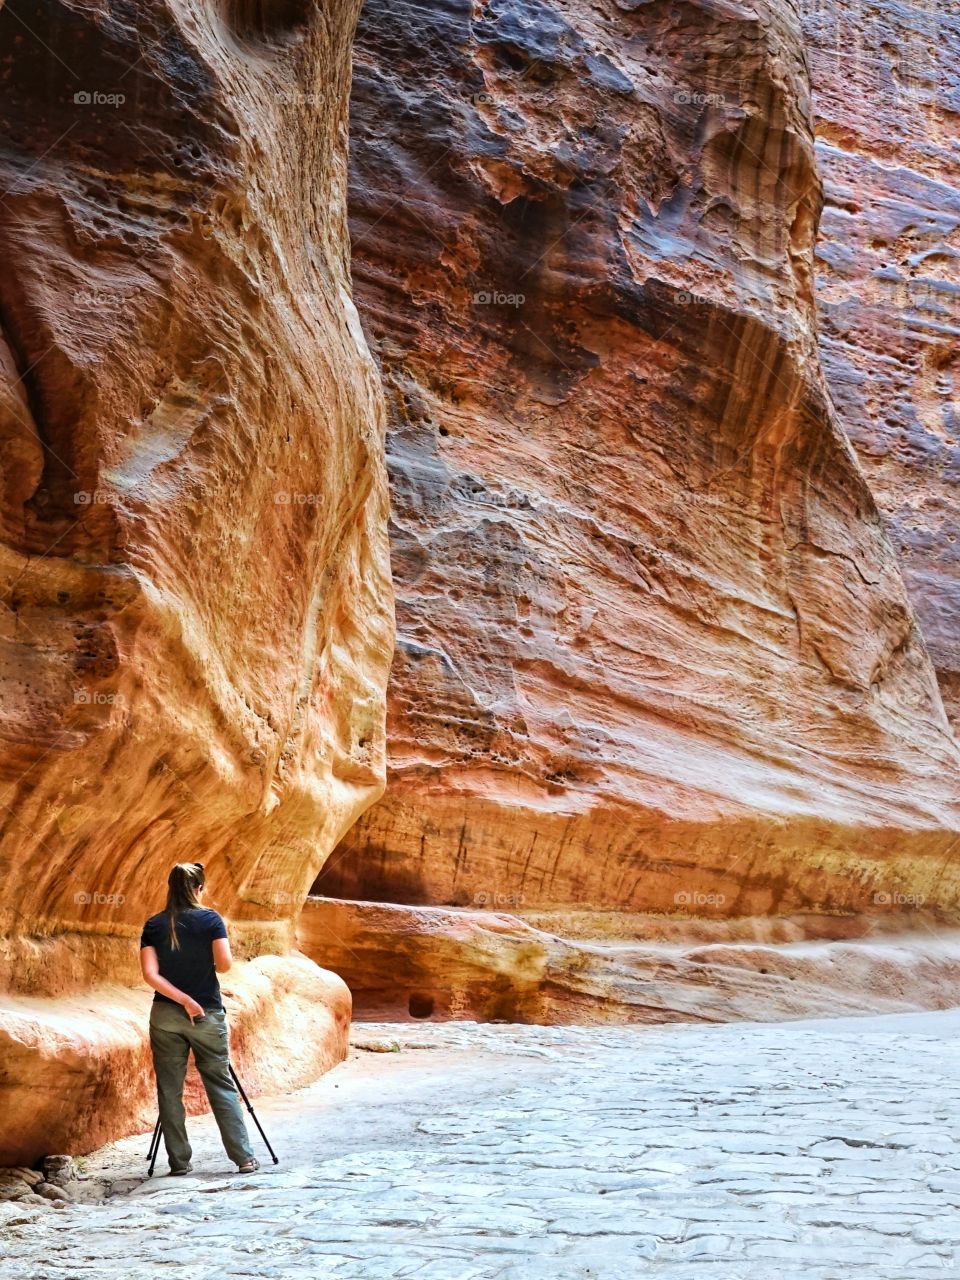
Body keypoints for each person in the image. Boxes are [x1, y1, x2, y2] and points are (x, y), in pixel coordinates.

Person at [139, 861, 259, 1175]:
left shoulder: (154, 925)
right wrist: (193, 998)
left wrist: (182, 1000)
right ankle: (244, 1158)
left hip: (165, 1015)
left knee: (169, 1090)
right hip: (207, 1013)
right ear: (199, 889)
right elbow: (224, 965)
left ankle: (179, 1163)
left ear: (170, 889)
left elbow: (150, 974)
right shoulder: (211, 920)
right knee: (220, 1084)